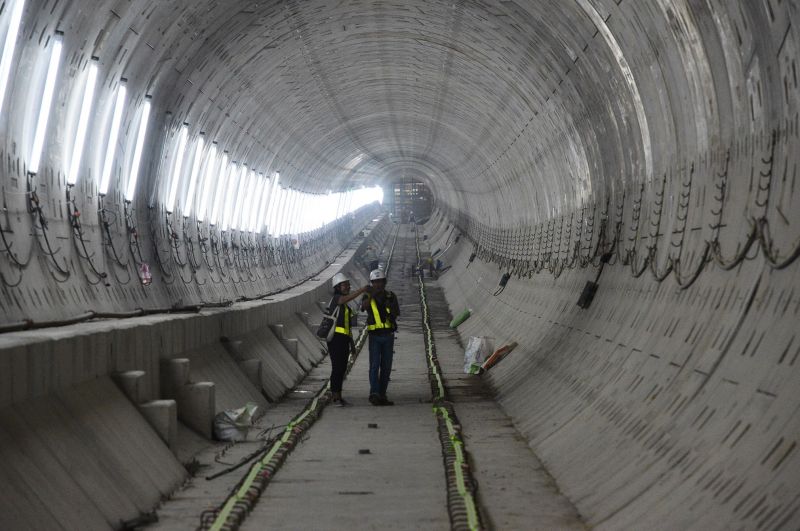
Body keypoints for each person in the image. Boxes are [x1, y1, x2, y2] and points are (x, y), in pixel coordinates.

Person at [327, 272, 369, 406]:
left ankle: (338, 394)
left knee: (342, 367)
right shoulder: (337, 299)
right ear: (338, 287)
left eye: (347, 285)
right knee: (337, 367)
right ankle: (335, 395)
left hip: (343, 339)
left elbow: (347, 326)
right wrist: (362, 289)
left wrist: (351, 344)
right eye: (344, 285)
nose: (347, 287)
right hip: (335, 340)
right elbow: (344, 299)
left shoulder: (344, 305)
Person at [361, 269, 401, 405]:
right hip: (374, 336)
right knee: (374, 365)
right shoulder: (367, 295)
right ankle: (374, 393)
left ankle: (382, 394)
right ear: (372, 283)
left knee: (386, 366)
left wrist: (389, 311)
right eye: (375, 282)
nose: (378, 284)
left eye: (380, 281)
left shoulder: (391, 296)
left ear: (384, 282)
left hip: (388, 335)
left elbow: (396, 312)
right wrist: (372, 295)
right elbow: (364, 306)